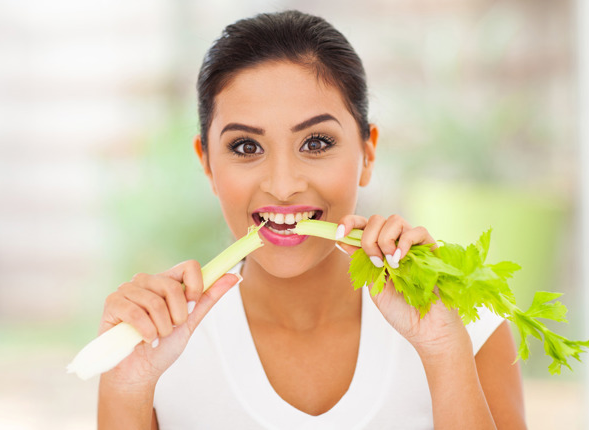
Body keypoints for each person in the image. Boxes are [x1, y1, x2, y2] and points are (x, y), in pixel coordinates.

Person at [97, 10, 526, 430]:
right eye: (246, 147)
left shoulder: (465, 324)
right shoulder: (151, 349)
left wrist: (444, 352)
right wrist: (127, 389)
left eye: (316, 142)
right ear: (207, 164)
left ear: (368, 153)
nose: (283, 187)